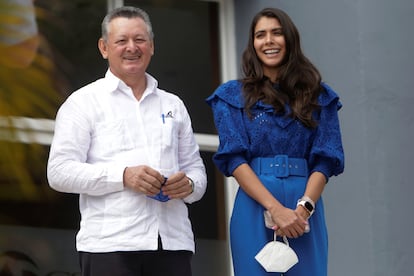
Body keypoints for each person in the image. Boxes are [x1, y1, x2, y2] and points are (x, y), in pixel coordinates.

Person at [47, 6, 207, 276]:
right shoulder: (83, 102)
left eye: (140, 39)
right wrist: (123, 176)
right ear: (104, 47)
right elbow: (59, 172)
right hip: (109, 245)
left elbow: (196, 171)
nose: (132, 47)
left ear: (152, 46)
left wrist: (189, 185)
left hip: (172, 244)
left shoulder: (173, 104)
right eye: (121, 41)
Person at [206, 7, 344, 276]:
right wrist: (274, 208)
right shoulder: (231, 96)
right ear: (253, 43)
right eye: (260, 35)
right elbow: (234, 159)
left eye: (276, 33)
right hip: (255, 201)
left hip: (304, 203)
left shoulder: (320, 96)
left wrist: (303, 209)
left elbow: (325, 160)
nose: (268, 40)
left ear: (289, 39)